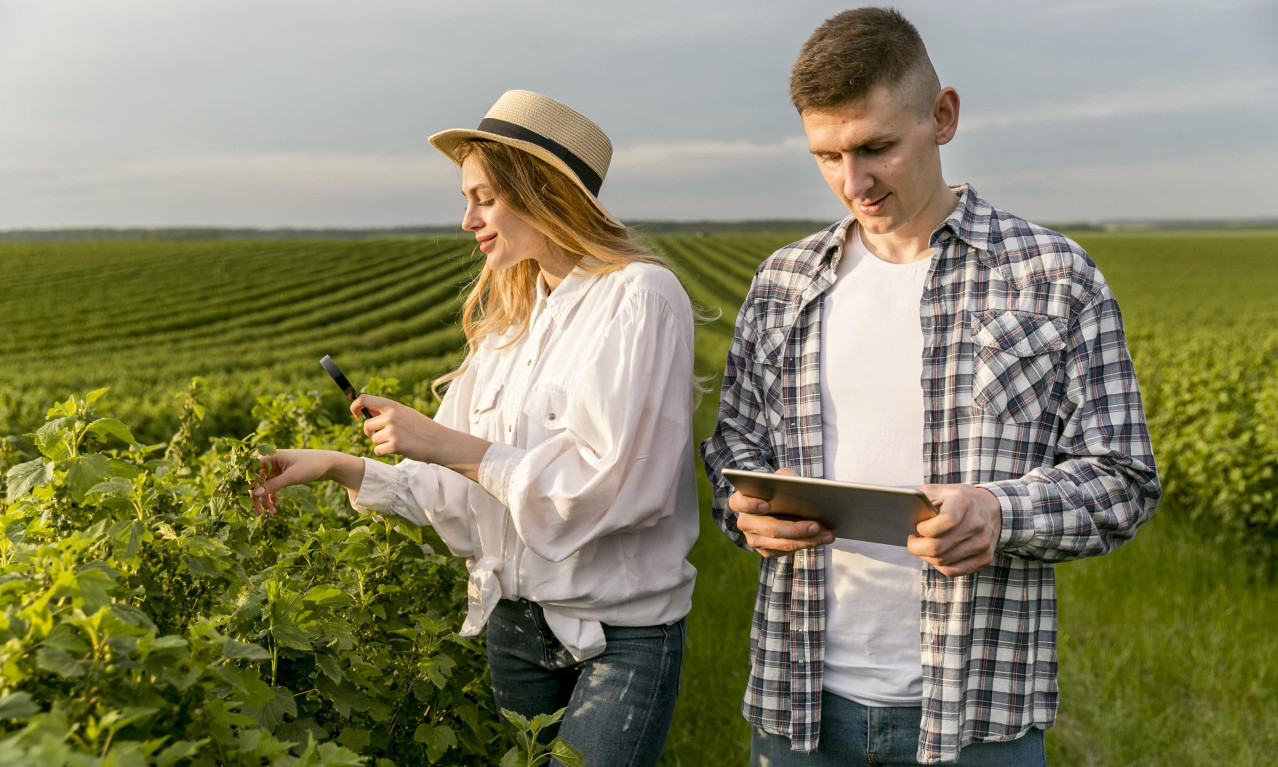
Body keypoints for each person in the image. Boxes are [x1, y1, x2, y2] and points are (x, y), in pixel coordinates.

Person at [699, 8, 1160, 766]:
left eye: (876, 147)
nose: (853, 182)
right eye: (826, 155)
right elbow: (733, 447)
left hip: (979, 711)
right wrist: (747, 505)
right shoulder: (783, 281)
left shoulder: (1054, 275)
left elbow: (1124, 476)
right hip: (798, 703)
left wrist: (998, 510)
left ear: (942, 116)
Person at [251, 89, 699, 767]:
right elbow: (458, 493)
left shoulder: (638, 298)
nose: (467, 219)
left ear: (543, 190)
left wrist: (444, 442)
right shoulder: (507, 325)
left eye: (484, 197)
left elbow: (609, 490)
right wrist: (338, 465)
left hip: (621, 635)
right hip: (514, 629)